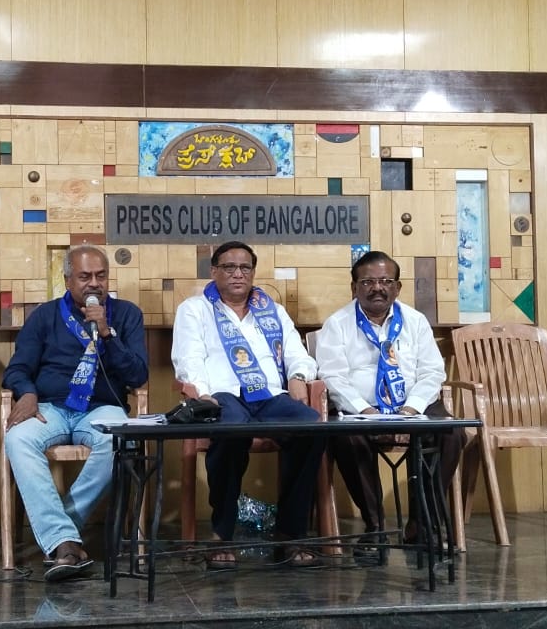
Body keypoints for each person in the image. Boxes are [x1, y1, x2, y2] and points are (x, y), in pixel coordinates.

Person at [171, 241, 324, 570]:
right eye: (229, 267)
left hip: (270, 396)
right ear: (214, 271)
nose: (237, 274)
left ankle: (289, 533)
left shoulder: (272, 310)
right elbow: (188, 357)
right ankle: (222, 534)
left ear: (253, 273)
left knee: (311, 428)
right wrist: (202, 394)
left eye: (245, 268)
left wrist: (298, 376)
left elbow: (297, 353)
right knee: (231, 431)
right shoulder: (195, 309)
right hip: (222, 395)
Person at [2, 245, 149, 582]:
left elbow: (138, 375)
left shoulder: (126, 314)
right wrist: (27, 392)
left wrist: (107, 334)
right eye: (85, 277)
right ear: (68, 280)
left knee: (120, 439)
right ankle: (65, 540)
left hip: (101, 408)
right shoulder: (45, 316)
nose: (94, 283)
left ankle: (61, 536)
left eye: (101, 276)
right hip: (50, 408)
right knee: (18, 438)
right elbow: (17, 368)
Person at [314, 250, 466, 557]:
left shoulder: (415, 321)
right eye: (367, 282)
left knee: (452, 434)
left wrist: (411, 410)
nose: (377, 288)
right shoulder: (337, 324)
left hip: (414, 405)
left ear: (397, 287)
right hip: (361, 408)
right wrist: (366, 411)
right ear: (354, 287)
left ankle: (422, 524)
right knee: (345, 439)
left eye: (385, 281)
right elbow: (332, 377)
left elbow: (432, 372)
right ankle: (375, 526)